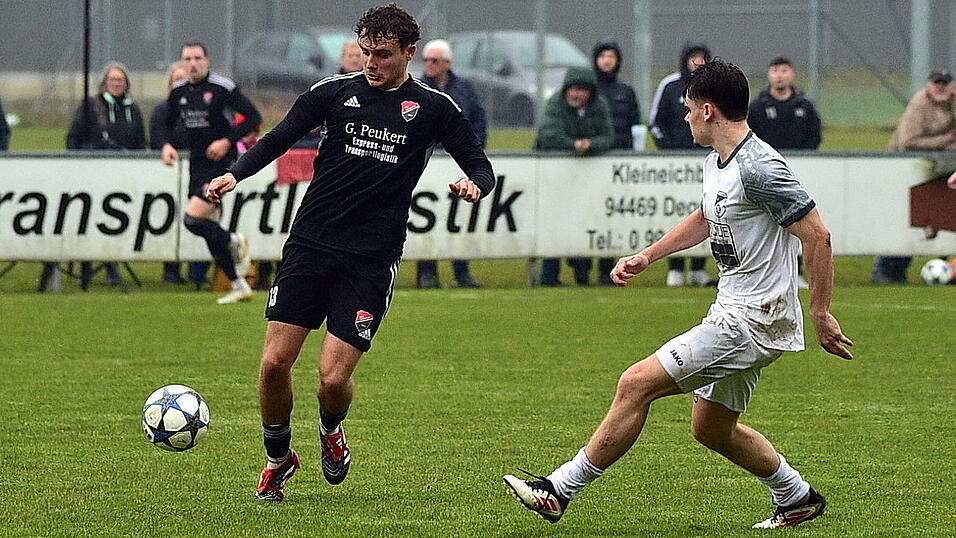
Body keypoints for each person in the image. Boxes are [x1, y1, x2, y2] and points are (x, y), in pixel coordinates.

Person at [504, 58, 854, 530]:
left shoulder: (760, 167)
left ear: (709, 111)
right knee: (710, 429)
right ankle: (796, 497)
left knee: (635, 383)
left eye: (688, 108)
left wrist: (822, 313)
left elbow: (819, 236)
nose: (684, 116)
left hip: (753, 319)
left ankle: (559, 489)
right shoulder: (719, 162)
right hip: (738, 309)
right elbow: (707, 217)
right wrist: (648, 256)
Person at [205, 4, 495, 502]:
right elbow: (279, 137)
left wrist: (474, 186)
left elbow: (481, 167)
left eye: (382, 55)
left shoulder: (436, 109)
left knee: (332, 378)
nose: (370, 62)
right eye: (365, 52)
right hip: (310, 246)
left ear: (409, 53)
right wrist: (238, 172)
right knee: (275, 363)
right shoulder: (333, 93)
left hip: (370, 258)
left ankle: (330, 430)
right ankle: (278, 458)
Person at [161, 42, 261, 303]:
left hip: (221, 163)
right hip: (197, 164)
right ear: (182, 63)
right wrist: (166, 145)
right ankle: (239, 285)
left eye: (197, 58)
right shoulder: (178, 91)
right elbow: (165, 123)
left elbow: (252, 117)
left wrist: (227, 141)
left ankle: (234, 239)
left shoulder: (223, 88)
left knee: (192, 220)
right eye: (187, 59)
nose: (192, 63)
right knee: (210, 230)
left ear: (207, 61)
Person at [63, 62, 147, 290]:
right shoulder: (91, 107)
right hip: (94, 175)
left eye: (121, 80)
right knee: (90, 221)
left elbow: (141, 141)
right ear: (105, 83)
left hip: (123, 177)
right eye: (113, 80)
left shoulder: (133, 109)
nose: (117, 84)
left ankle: (112, 265)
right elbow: (73, 138)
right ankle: (87, 269)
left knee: (114, 221)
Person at [416, 38, 487, 288]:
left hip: (457, 162)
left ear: (447, 63)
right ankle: (427, 272)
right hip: (428, 162)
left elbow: (478, 119)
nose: (429, 65)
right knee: (426, 217)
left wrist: (474, 151)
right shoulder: (417, 88)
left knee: (459, 218)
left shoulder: (464, 88)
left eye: (434, 60)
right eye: (425, 60)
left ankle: (462, 271)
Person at [873, 70, 956, 283]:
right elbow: (908, 142)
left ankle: (946, 269)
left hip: (941, 171)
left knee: (943, 219)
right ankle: (886, 269)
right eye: (937, 83)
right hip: (907, 169)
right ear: (929, 85)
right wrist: (946, 140)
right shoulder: (919, 105)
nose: (941, 87)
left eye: (945, 83)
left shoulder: (953, 102)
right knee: (904, 219)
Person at [749, 56, 823, 289]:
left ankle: (797, 271)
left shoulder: (804, 106)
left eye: (784, 70)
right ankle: (763, 273)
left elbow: (815, 136)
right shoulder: (758, 107)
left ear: (792, 74)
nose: (780, 75)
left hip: (798, 172)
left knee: (798, 220)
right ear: (769, 75)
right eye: (775, 70)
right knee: (766, 223)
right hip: (766, 173)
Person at [535, 67, 613, 286]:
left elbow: (608, 137)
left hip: (586, 180)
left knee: (588, 222)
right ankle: (548, 277)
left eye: (581, 90)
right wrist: (573, 145)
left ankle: (586, 273)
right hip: (554, 176)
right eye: (572, 89)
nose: (575, 94)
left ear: (590, 92)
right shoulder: (555, 104)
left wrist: (591, 145)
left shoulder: (599, 107)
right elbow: (549, 135)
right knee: (554, 224)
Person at [649, 42, 715, 287]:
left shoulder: (713, 88)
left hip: (705, 162)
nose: (696, 62)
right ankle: (675, 267)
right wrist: (668, 151)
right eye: (692, 57)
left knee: (705, 213)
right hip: (674, 165)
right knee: (675, 214)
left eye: (702, 57)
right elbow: (655, 123)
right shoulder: (670, 85)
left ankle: (699, 268)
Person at [593, 39, 641, 285]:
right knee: (593, 213)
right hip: (594, 162)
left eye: (611, 56)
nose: (607, 61)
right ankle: (582, 267)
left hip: (619, 161)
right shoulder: (590, 89)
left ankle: (607, 268)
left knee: (614, 215)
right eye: (603, 56)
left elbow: (635, 123)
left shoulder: (626, 91)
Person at [151, 61, 190, 285]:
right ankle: (171, 268)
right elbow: (156, 137)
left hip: (197, 170)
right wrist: (165, 146)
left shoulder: (202, 108)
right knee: (171, 218)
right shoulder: (163, 110)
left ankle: (197, 271)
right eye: (176, 79)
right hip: (170, 172)